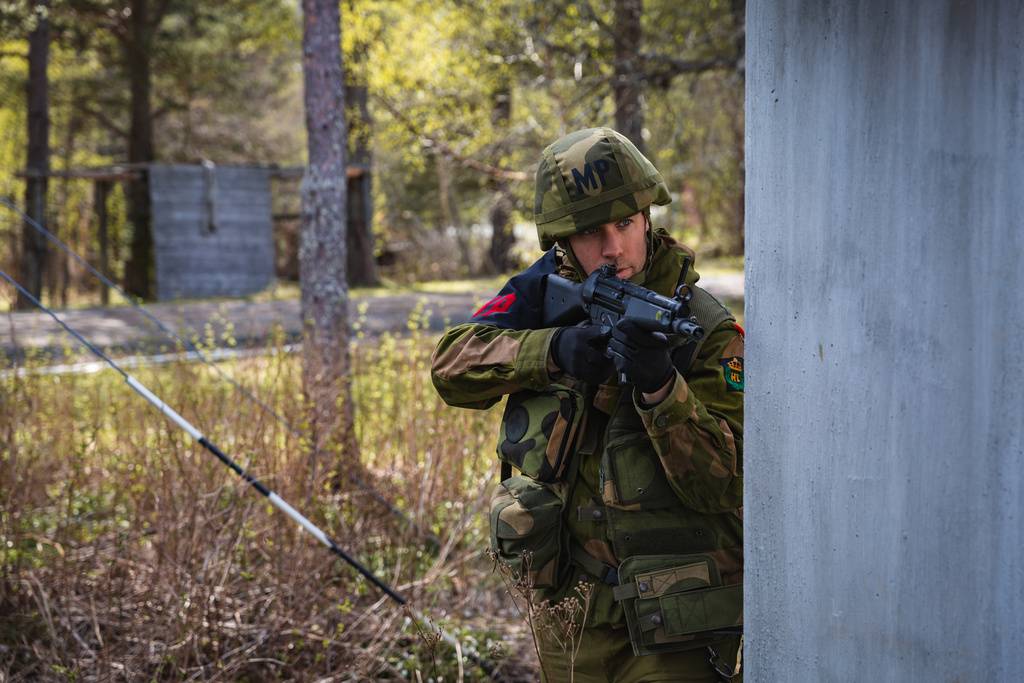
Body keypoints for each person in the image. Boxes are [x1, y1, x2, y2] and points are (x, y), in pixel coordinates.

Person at [431, 127, 743, 682]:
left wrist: (659, 388)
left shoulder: (705, 328)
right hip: (571, 614)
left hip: (678, 619)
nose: (614, 249)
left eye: (625, 223)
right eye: (591, 232)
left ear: (647, 216)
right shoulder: (545, 289)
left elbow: (725, 486)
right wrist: (552, 349)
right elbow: (451, 367)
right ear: (562, 242)